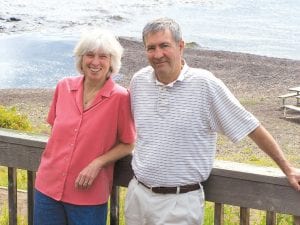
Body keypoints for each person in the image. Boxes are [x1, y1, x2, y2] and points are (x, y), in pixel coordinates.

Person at [125, 17, 300, 225]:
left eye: (164, 45)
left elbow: (251, 126)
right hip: (137, 195)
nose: (157, 54)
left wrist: (287, 168)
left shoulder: (205, 85)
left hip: (179, 204)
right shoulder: (139, 81)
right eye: (150, 48)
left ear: (181, 46)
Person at [34, 28, 136, 225]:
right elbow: (55, 130)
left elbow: (128, 143)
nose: (95, 62)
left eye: (103, 56)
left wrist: (97, 163)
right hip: (47, 189)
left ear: (111, 62)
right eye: (90, 55)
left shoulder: (120, 97)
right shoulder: (63, 87)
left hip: (87, 196)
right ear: (81, 59)